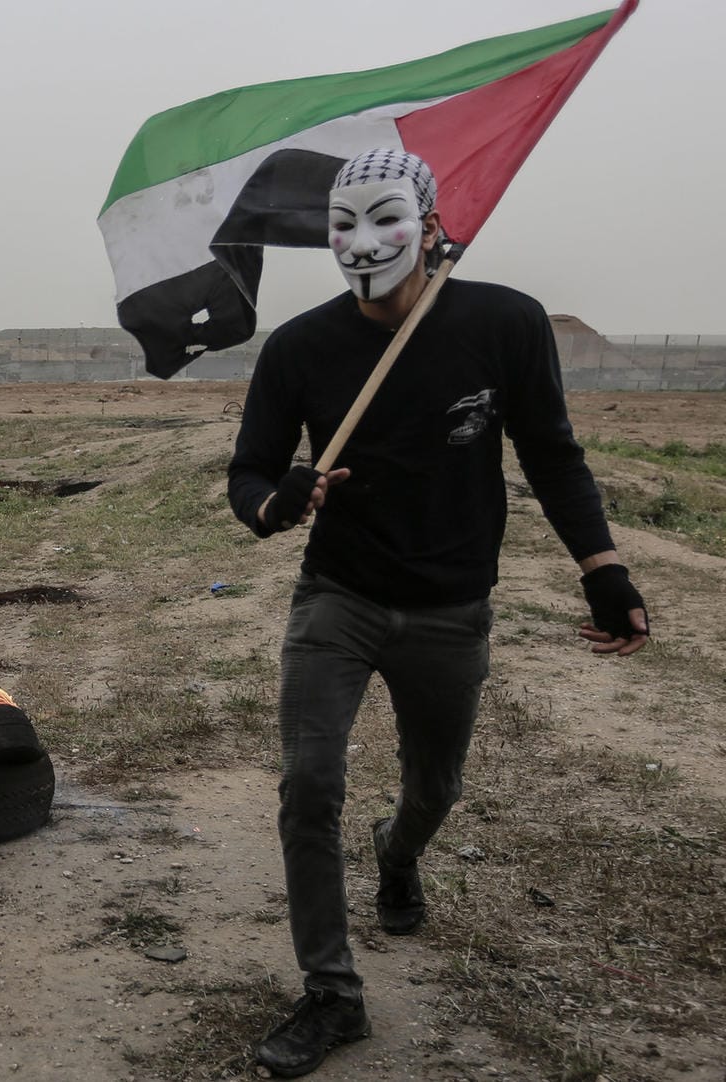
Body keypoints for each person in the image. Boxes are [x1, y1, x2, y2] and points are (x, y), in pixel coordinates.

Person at [227, 149, 649, 1078]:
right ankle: (332, 992)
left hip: (454, 609)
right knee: (308, 786)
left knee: (436, 790)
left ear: (428, 222)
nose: (361, 243)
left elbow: (552, 453)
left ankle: (400, 848)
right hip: (337, 598)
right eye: (342, 224)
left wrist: (603, 570)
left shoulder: (504, 323)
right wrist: (280, 499)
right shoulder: (299, 348)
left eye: (383, 219)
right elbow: (249, 475)